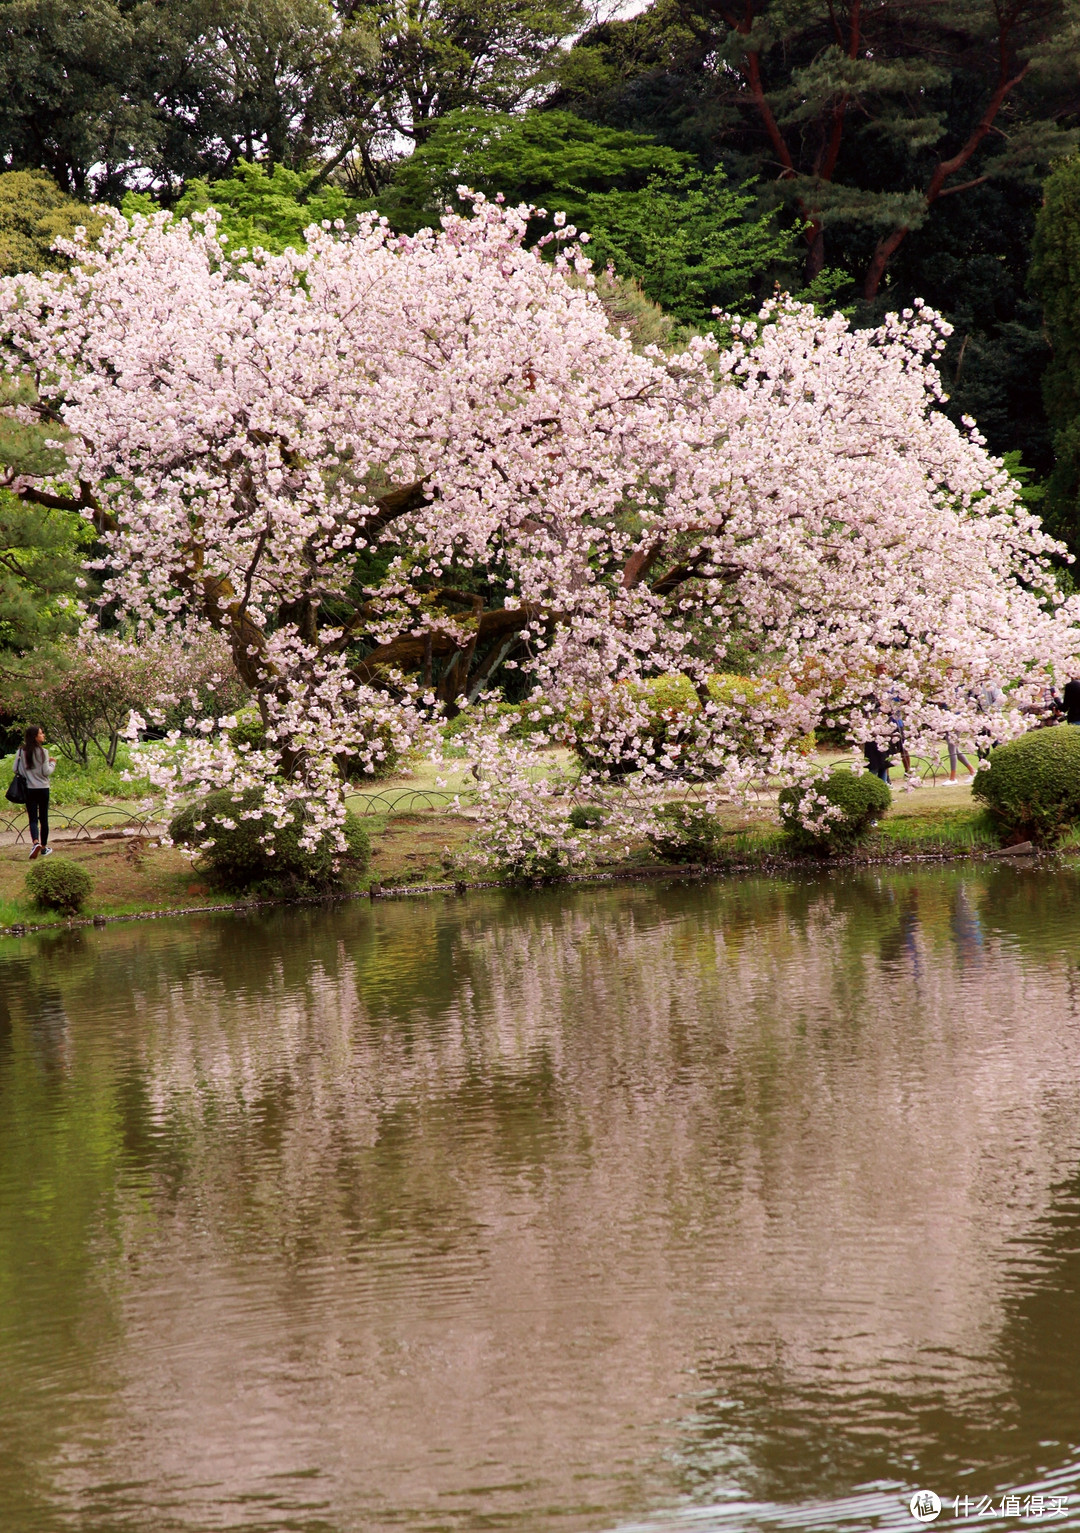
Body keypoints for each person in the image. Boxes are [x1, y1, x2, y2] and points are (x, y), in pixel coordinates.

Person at [15, 725, 56, 859]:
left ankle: (35, 843)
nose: (43, 735)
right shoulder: (43, 752)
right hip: (43, 788)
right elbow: (46, 772)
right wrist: (52, 764)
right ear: (35, 737)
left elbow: (15, 769)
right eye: (41, 733)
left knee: (33, 818)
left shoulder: (21, 751)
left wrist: (28, 774)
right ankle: (44, 848)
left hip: (29, 788)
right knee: (43, 819)